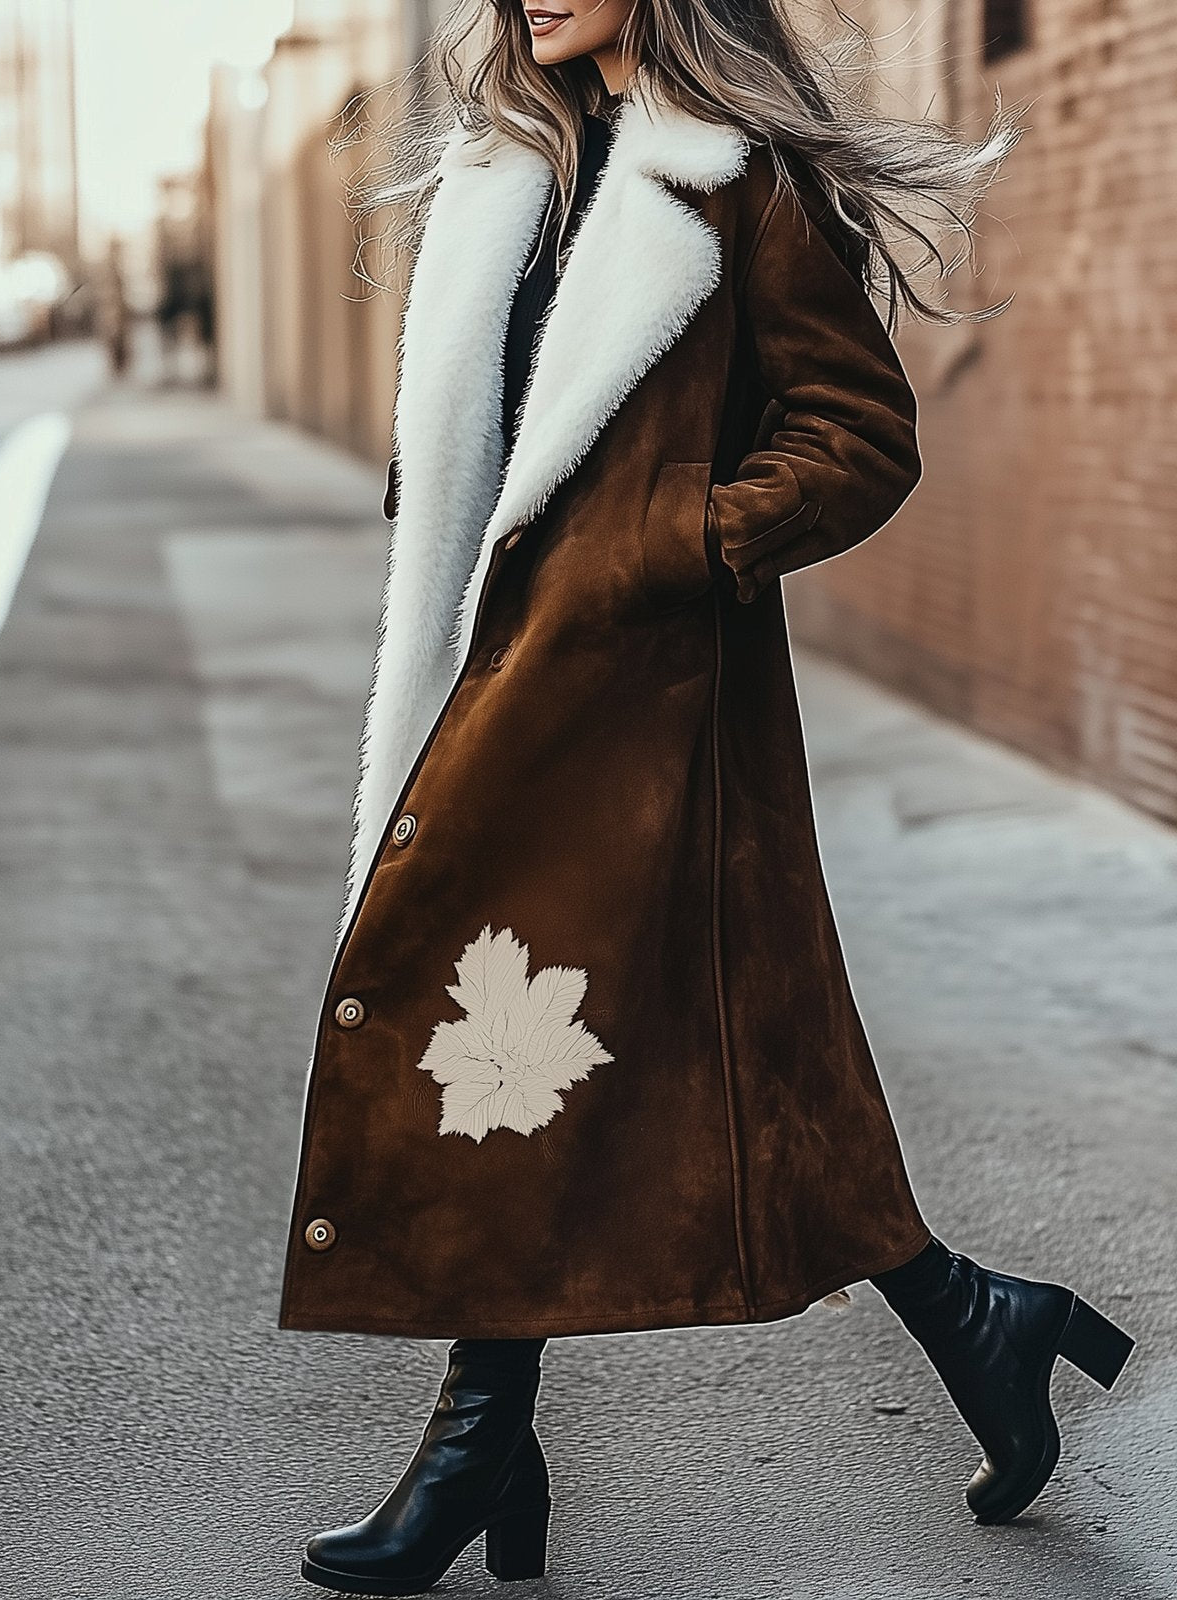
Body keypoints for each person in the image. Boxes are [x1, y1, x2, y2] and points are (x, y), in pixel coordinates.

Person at [279, 2, 1137, 1592]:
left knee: (560, 1046)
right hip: (498, 689)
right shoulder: (501, 172)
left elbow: (860, 437)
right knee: (551, 1047)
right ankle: (965, 1328)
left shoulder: (740, 180)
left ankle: (483, 1440)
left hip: (655, 711)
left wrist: (666, 541)